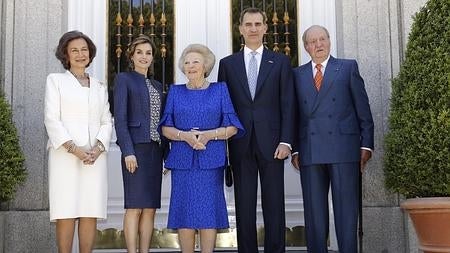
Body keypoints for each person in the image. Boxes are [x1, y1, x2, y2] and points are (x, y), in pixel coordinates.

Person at [217, 7, 296, 253]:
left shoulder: (281, 62)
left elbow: (288, 104)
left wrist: (286, 141)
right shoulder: (227, 64)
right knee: (244, 206)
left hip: (273, 144)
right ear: (240, 29)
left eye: (257, 24)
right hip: (240, 143)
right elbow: (223, 106)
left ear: (265, 28)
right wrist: (223, 145)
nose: (253, 29)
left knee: (275, 205)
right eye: (248, 24)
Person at [291, 25, 374, 253]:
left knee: (346, 214)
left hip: (344, 149)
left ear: (329, 41)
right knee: (315, 215)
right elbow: (294, 115)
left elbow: (363, 110)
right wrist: (296, 149)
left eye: (322, 39)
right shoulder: (296, 75)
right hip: (310, 150)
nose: (318, 45)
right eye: (313, 41)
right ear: (306, 47)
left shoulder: (347, 68)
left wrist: (366, 144)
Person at [159, 44, 244, 253]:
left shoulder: (220, 90)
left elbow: (233, 127)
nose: (191, 66)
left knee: (208, 214)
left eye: (195, 61)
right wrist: (185, 136)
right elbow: (165, 128)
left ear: (205, 65)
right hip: (182, 162)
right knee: (184, 213)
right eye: (186, 63)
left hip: (210, 161)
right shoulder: (175, 92)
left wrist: (208, 135)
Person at [44, 30, 112, 253]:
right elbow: (51, 119)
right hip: (65, 155)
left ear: (90, 53)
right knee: (66, 211)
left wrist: (98, 148)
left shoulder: (100, 85)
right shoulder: (56, 81)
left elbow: (106, 120)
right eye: (74, 50)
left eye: (84, 49)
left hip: (94, 157)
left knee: (89, 210)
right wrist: (75, 150)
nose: (80, 54)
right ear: (66, 54)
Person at [113, 35, 166, 253]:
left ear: (152, 57)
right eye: (139, 52)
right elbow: (121, 119)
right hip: (135, 150)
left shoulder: (157, 85)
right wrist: (128, 152)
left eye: (148, 53)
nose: (144, 57)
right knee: (134, 207)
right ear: (131, 56)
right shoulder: (124, 79)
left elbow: (162, 122)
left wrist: (166, 156)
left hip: (155, 151)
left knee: (150, 208)